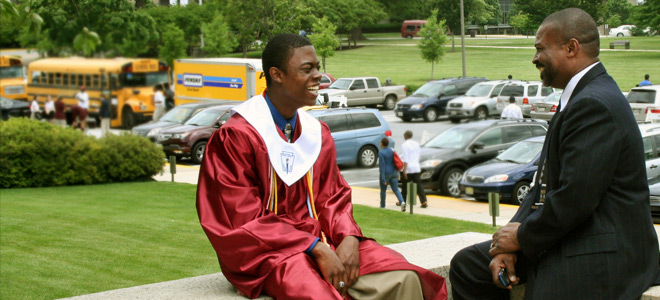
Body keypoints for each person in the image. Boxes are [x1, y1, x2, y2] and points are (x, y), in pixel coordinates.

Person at [196, 33, 447, 300]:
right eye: (308, 69)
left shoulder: (316, 133)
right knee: (319, 295)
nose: (318, 75)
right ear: (276, 74)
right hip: (269, 252)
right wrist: (312, 246)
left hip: (325, 240)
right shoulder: (237, 136)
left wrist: (349, 236)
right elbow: (240, 219)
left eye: (317, 67)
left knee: (404, 277)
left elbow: (333, 198)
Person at [449, 8, 660, 300]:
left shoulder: (595, 104)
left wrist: (521, 238)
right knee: (468, 266)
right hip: (573, 231)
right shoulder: (581, 95)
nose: (535, 58)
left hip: (607, 247)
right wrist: (509, 239)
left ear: (571, 48)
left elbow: (575, 198)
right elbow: (543, 185)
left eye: (540, 49)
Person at [400, 130, 428, 208]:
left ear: (406, 136)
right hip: (416, 167)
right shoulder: (416, 144)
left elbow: (406, 158)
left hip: (408, 168)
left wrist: (404, 170)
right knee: (419, 185)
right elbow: (418, 155)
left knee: (405, 186)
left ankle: (402, 201)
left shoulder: (404, 145)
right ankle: (424, 201)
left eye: (404, 135)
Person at [378, 137, 406, 211]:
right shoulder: (392, 150)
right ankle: (402, 201)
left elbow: (382, 166)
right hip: (394, 173)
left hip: (386, 174)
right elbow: (396, 161)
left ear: (382, 144)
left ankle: (382, 205)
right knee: (396, 189)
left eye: (380, 142)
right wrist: (398, 173)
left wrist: (383, 178)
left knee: (383, 190)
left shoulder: (381, 153)